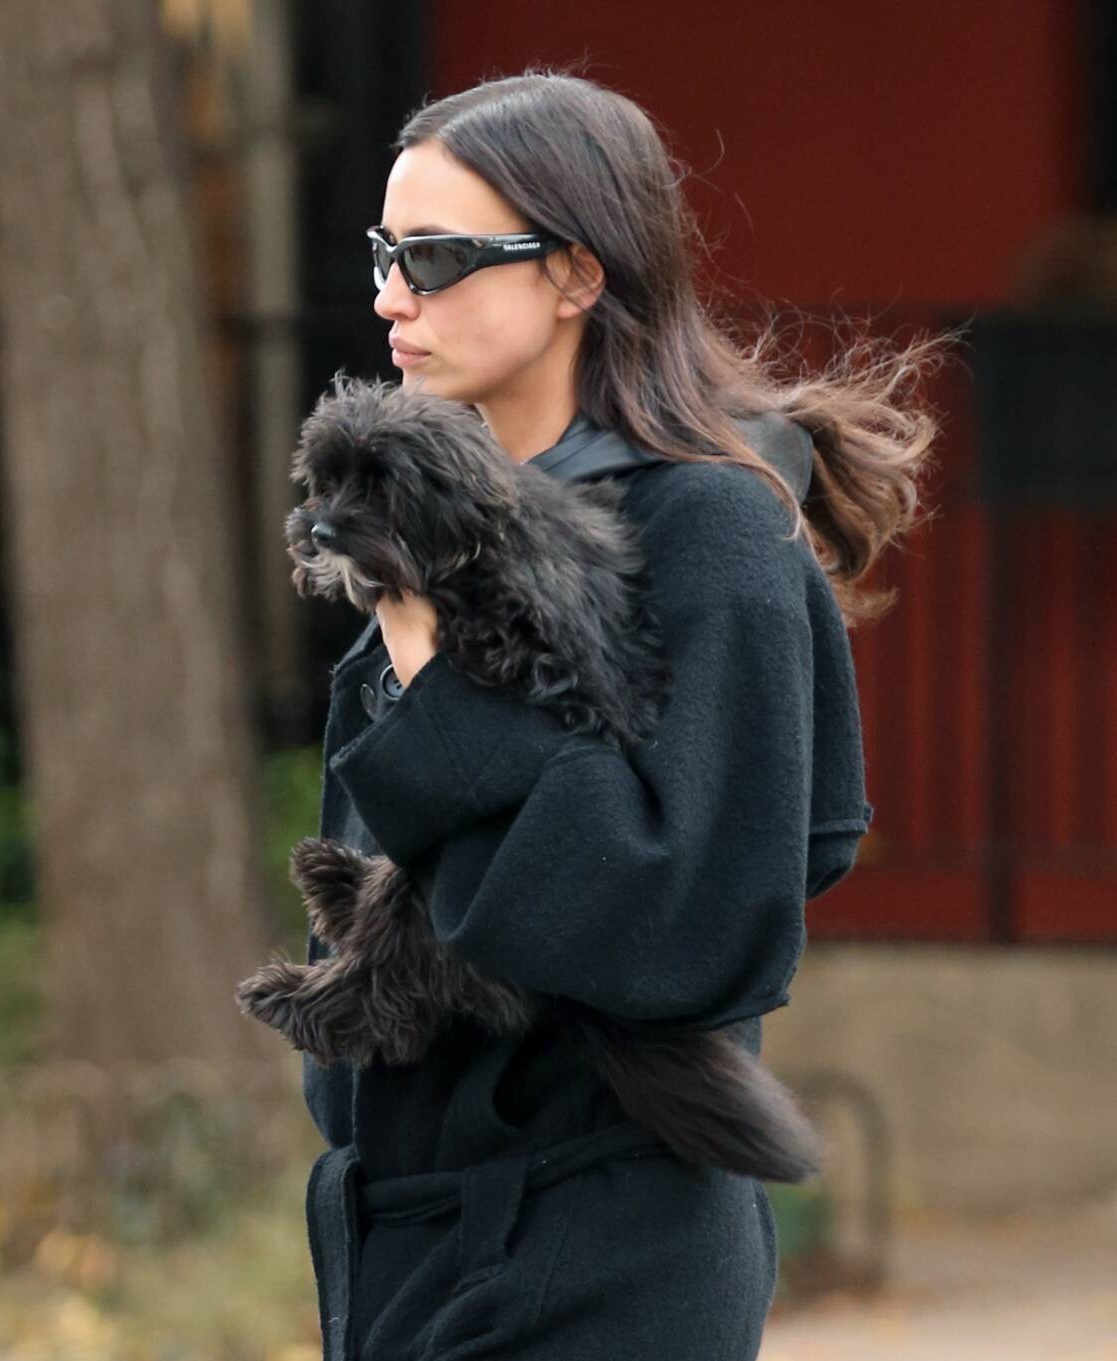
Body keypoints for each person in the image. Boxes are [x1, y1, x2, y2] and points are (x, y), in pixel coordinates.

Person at [299, 68, 949, 1361]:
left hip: (602, 1244)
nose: (391, 297)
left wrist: (435, 685)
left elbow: (685, 926)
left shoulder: (715, 532)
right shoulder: (444, 535)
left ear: (577, 275)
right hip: (409, 1251)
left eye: (436, 258)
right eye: (385, 253)